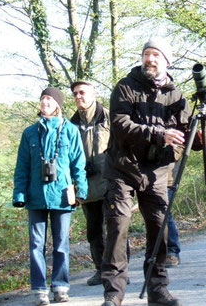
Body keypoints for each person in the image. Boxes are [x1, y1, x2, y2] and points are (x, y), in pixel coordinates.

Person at [101, 37, 206, 306]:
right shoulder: (125, 87)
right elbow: (120, 125)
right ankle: (114, 293)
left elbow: (185, 136)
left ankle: (158, 288)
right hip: (122, 167)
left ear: (167, 61)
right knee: (118, 225)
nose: (150, 59)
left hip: (158, 171)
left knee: (159, 228)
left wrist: (200, 139)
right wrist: (160, 134)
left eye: (156, 55)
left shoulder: (177, 96)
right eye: (147, 54)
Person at [12, 87, 88, 306]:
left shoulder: (70, 130)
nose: (45, 102)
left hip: (62, 196)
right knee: (36, 244)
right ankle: (39, 289)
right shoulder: (29, 133)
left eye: (49, 99)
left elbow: (78, 164)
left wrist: (81, 191)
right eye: (43, 98)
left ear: (58, 105)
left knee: (61, 243)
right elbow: (22, 167)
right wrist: (19, 193)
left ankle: (61, 286)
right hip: (35, 196)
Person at [70, 80, 132, 286]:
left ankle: (121, 270)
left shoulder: (109, 117)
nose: (79, 96)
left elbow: (124, 147)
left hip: (112, 182)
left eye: (82, 92)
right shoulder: (71, 124)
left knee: (117, 228)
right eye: (75, 94)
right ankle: (101, 270)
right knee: (94, 232)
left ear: (93, 93)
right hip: (86, 186)